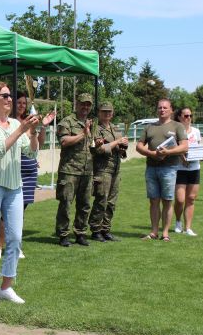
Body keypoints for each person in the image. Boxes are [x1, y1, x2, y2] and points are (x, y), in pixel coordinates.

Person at [0, 81, 39, 306]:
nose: (10, 99)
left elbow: (30, 152)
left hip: (14, 186)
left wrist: (33, 133)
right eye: (5, 96)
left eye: (10, 96)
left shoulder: (15, 123)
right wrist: (21, 130)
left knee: (15, 238)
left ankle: (6, 286)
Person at [0, 94, 56, 259]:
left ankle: (15, 245)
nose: (22, 105)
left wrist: (42, 126)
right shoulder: (9, 122)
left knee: (20, 211)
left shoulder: (29, 121)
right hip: (14, 169)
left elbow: (39, 144)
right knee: (6, 211)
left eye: (24, 103)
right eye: (19, 102)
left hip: (30, 171)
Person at [136, 99, 188, 242]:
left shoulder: (177, 126)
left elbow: (184, 146)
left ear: (171, 110)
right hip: (151, 168)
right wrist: (151, 154)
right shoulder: (149, 127)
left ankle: (165, 233)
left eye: (165, 108)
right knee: (153, 201)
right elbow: (139, 146)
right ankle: (154, 232)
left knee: (167, 201)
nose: (162, 110)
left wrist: (168, 152)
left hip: (169, 169)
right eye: (160, 108)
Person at [55, 93, 95, 247]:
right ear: (76, 104)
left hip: (87, 170)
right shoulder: (67, 122)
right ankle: (63, 234)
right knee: (66, 203)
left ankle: (80, 233)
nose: (85, 107)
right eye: (83, 104)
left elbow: (91, 145)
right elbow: (64, 141)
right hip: (69, 170)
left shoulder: (91, 123)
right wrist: (83, 134)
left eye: (88, 104)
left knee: (84, 204)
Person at [88, 102, 128, 242]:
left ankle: (105, 229)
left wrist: (123, 148)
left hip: (115, 168)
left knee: (111, 202)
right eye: (104, 111)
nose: (107, 114)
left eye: (109, 111)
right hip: (102, 169)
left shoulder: (114, 128)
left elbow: (119, 150)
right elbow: (99, 149)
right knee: (101, 200)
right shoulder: (96, 129)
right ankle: (96, 230)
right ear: (99, 113)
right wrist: (117, 142)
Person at [173, 107, 201, 236]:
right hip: (180, 169)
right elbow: (173, 147)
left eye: (190, 115)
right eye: (186, 116)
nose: (188, 118)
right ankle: (178, 221)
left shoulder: (196, 131)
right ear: (179, 117)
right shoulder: (175, 131)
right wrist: (181, 157)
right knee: (180, 199)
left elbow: (199, 147)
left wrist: (201, 156)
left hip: (194, 168)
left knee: (191, 198)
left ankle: (188, 228)